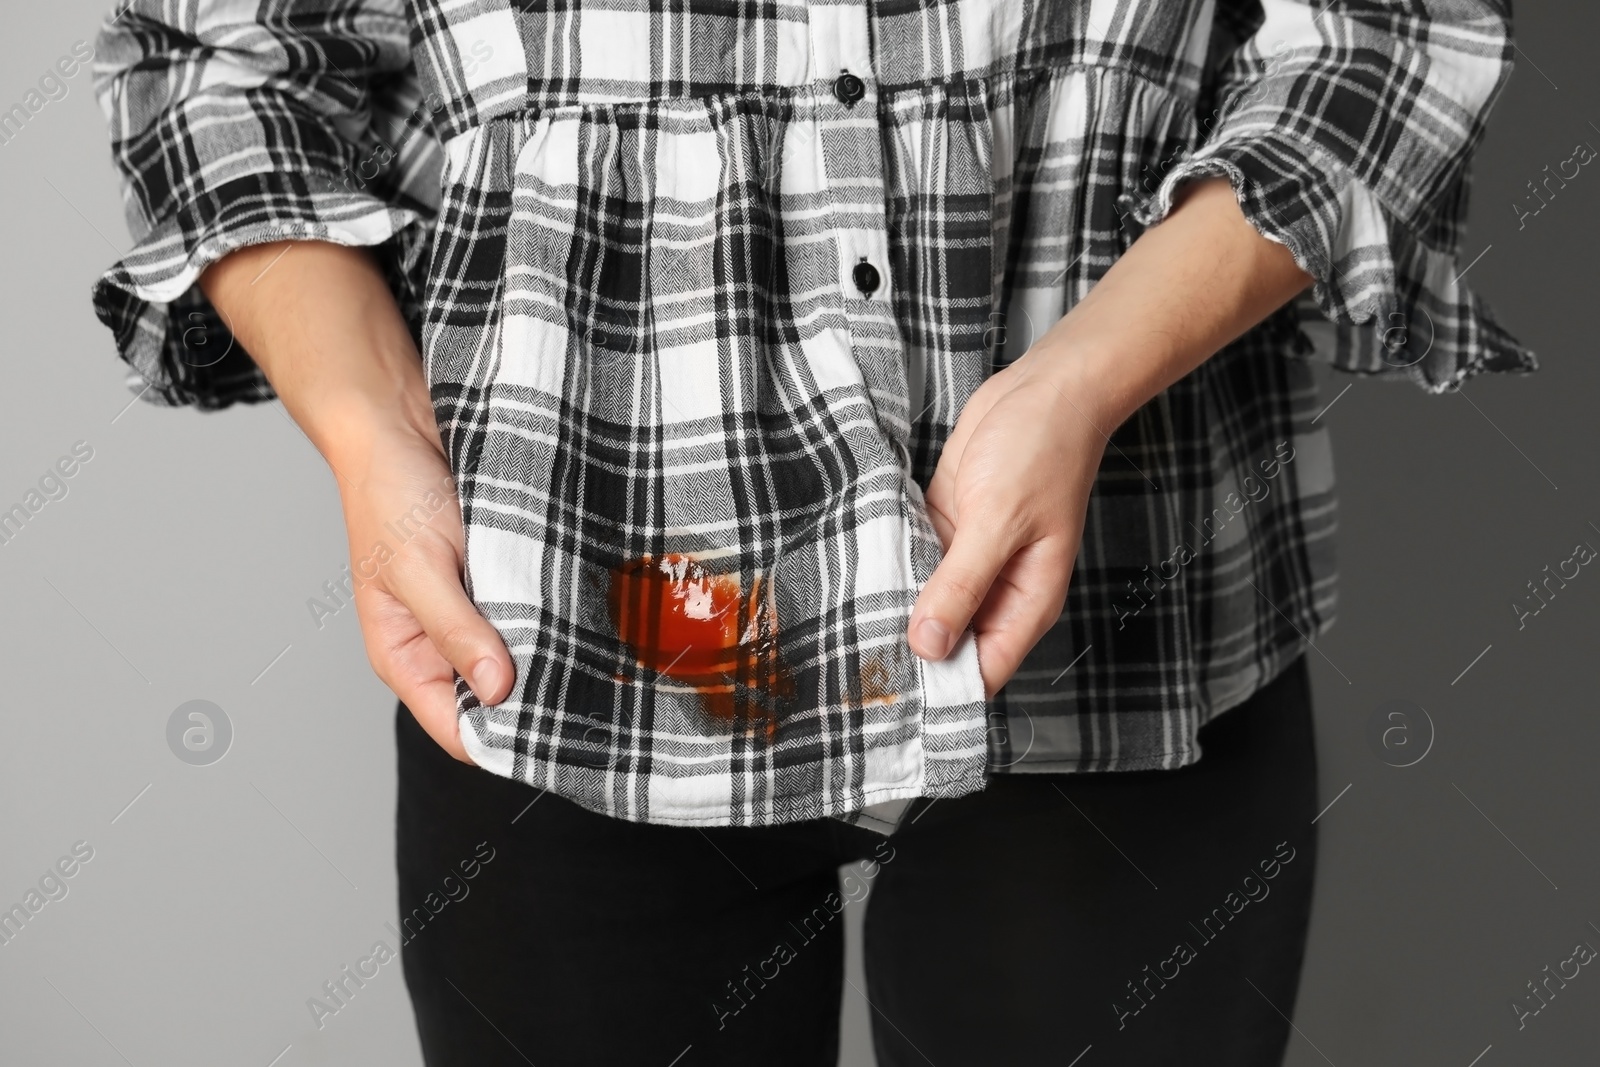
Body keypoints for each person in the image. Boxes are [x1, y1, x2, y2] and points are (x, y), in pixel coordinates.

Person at [91, 1, 1531, 1063]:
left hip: (1121, 614)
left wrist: (1087, 381)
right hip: (572, 624)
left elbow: (1385, 30)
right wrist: (371, 437)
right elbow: (219, 63)